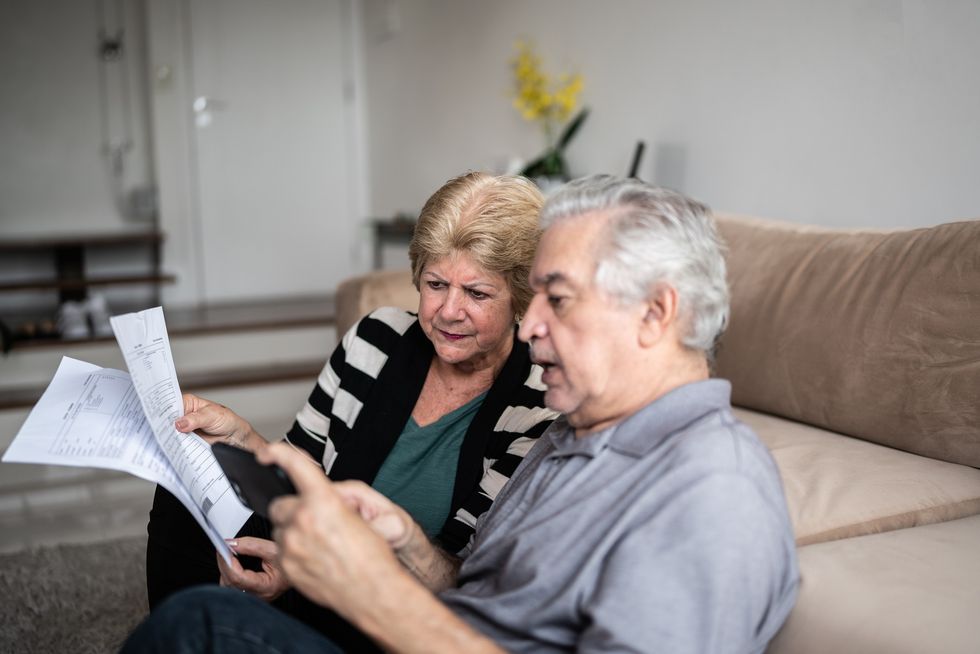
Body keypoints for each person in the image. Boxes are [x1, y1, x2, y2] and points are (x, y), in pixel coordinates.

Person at [124, 175, 799, 653]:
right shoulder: (577, 439)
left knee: (202, 627)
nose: (528, 328)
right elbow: (473, 592)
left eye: (554, 300)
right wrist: (407, 545)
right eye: (532, 298)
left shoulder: (714, 492)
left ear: (656, 313)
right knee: (201, 612)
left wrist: (370, 593)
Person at [144, 171, 558, 648]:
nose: (448, 311)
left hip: (398, 608)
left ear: (520, 298)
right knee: (186, 484)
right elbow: (297, 478)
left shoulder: (537, 405)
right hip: (314, 552)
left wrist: (308, 574)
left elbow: (464, 583)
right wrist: (244, 439)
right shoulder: (374, 339)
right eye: (436, 283)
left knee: (209, 621)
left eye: (478, 293)